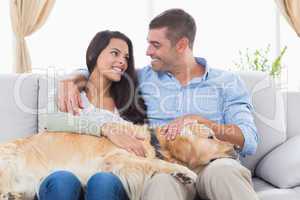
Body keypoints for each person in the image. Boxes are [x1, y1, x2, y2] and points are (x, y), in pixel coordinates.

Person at [58, 9, 259, 200]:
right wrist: (74, 79)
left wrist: (199, 121)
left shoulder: (227, 82)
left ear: (181, 45)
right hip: (166, 165)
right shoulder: (141, 78)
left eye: (156, 45)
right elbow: (105, 70)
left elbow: (248, 139)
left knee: (225, 173)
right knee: (161, 182)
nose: (148, 51)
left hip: (214, 163)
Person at [38, 30, 148, 200]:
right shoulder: (69, 93)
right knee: (63, 180)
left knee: (102, 181)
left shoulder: (129, 105)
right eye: (115, 53)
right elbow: (51, 121)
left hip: (110, 177)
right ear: (94, 54)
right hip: (63, 172)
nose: (122, 61)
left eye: (126, 57)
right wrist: (104, 129)